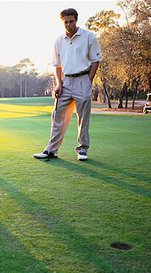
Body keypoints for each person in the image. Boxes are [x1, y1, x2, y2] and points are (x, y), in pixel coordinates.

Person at [34, 8, 102, 161]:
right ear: (62, 22)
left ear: (76, 20)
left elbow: (96, 61)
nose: (69, 25)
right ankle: (51, 150)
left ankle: (82, 149)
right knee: (57, 114)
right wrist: (59, 83)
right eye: (66, 22)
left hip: (83, 78)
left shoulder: (89, 37)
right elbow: (57, 66)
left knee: (83, 117)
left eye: (71, 21)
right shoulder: (59, 40)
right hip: (66, 82)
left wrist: (88, 81)